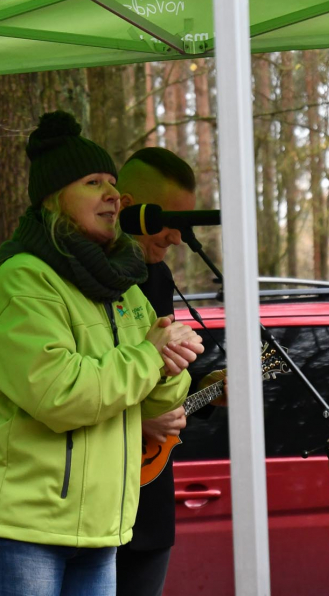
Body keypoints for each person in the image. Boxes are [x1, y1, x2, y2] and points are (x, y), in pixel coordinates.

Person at [0, 112, 205, 596]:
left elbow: (153, 404)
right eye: (94, 182)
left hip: (98, 530)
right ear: (54, 198)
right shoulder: (23, 280)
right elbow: (62, 393)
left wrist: (174, 362)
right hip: (18, 529)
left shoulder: (121, 286)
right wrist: (152, 356)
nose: (114, 194)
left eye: (113, 182)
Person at [115, 148, 224, 596]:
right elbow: (64, 390)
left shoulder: (156, 276)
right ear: (126, 207)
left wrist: (207, 392)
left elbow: (163, 371)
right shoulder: (84, 280)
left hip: (151, 500)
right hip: (96, 504)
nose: (178, 238)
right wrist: (136, 422)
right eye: (167, 221)